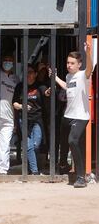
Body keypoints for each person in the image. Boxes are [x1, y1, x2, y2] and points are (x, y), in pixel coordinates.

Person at [50, 43, 94, 188]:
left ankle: (81, 177)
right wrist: (55, 78)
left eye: (72, 63)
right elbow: (68, 86)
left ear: (79, 64)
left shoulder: (83, 75)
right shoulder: (69, 76)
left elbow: (90, 68)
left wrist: (88, 52)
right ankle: (63, 164)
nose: (69, 65)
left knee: (73, 141)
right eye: (68, 63)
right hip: (68, 115)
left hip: (81, 116)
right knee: (63, 141)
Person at [12, 65, 48, 175]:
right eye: (26, 72)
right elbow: (14, 103)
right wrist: (22, 106)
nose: (29, 74)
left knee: (36, 145)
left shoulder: (40, 87)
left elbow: (46, 94)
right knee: (29, 145)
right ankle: (35, 171)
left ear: (36, 74)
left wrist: (48, 92)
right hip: (24, 119)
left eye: (31, 72)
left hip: (37, 120)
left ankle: (29, 166)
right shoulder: (20, 86)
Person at [0, 55, 19, 175]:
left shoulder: (16, 79)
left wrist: (16, 120)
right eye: (6, 60)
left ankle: (3, 170)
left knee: (5, 145)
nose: (8, 63)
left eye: (10, 61)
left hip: (9, 117)